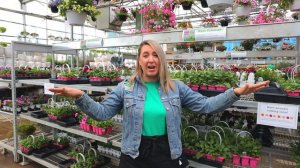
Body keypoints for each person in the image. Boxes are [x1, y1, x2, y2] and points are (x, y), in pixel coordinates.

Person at [49, 40, 269, 168]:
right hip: (134, 154)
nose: (151, 59)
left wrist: (236, 92)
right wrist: (80, 96)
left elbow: (206, 106)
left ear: (161, 60)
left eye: (155, 55)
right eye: (145, 55)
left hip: (167, 153)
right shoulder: (125, 87)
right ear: (139, 61)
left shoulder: (176, 87)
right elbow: (103, 113)